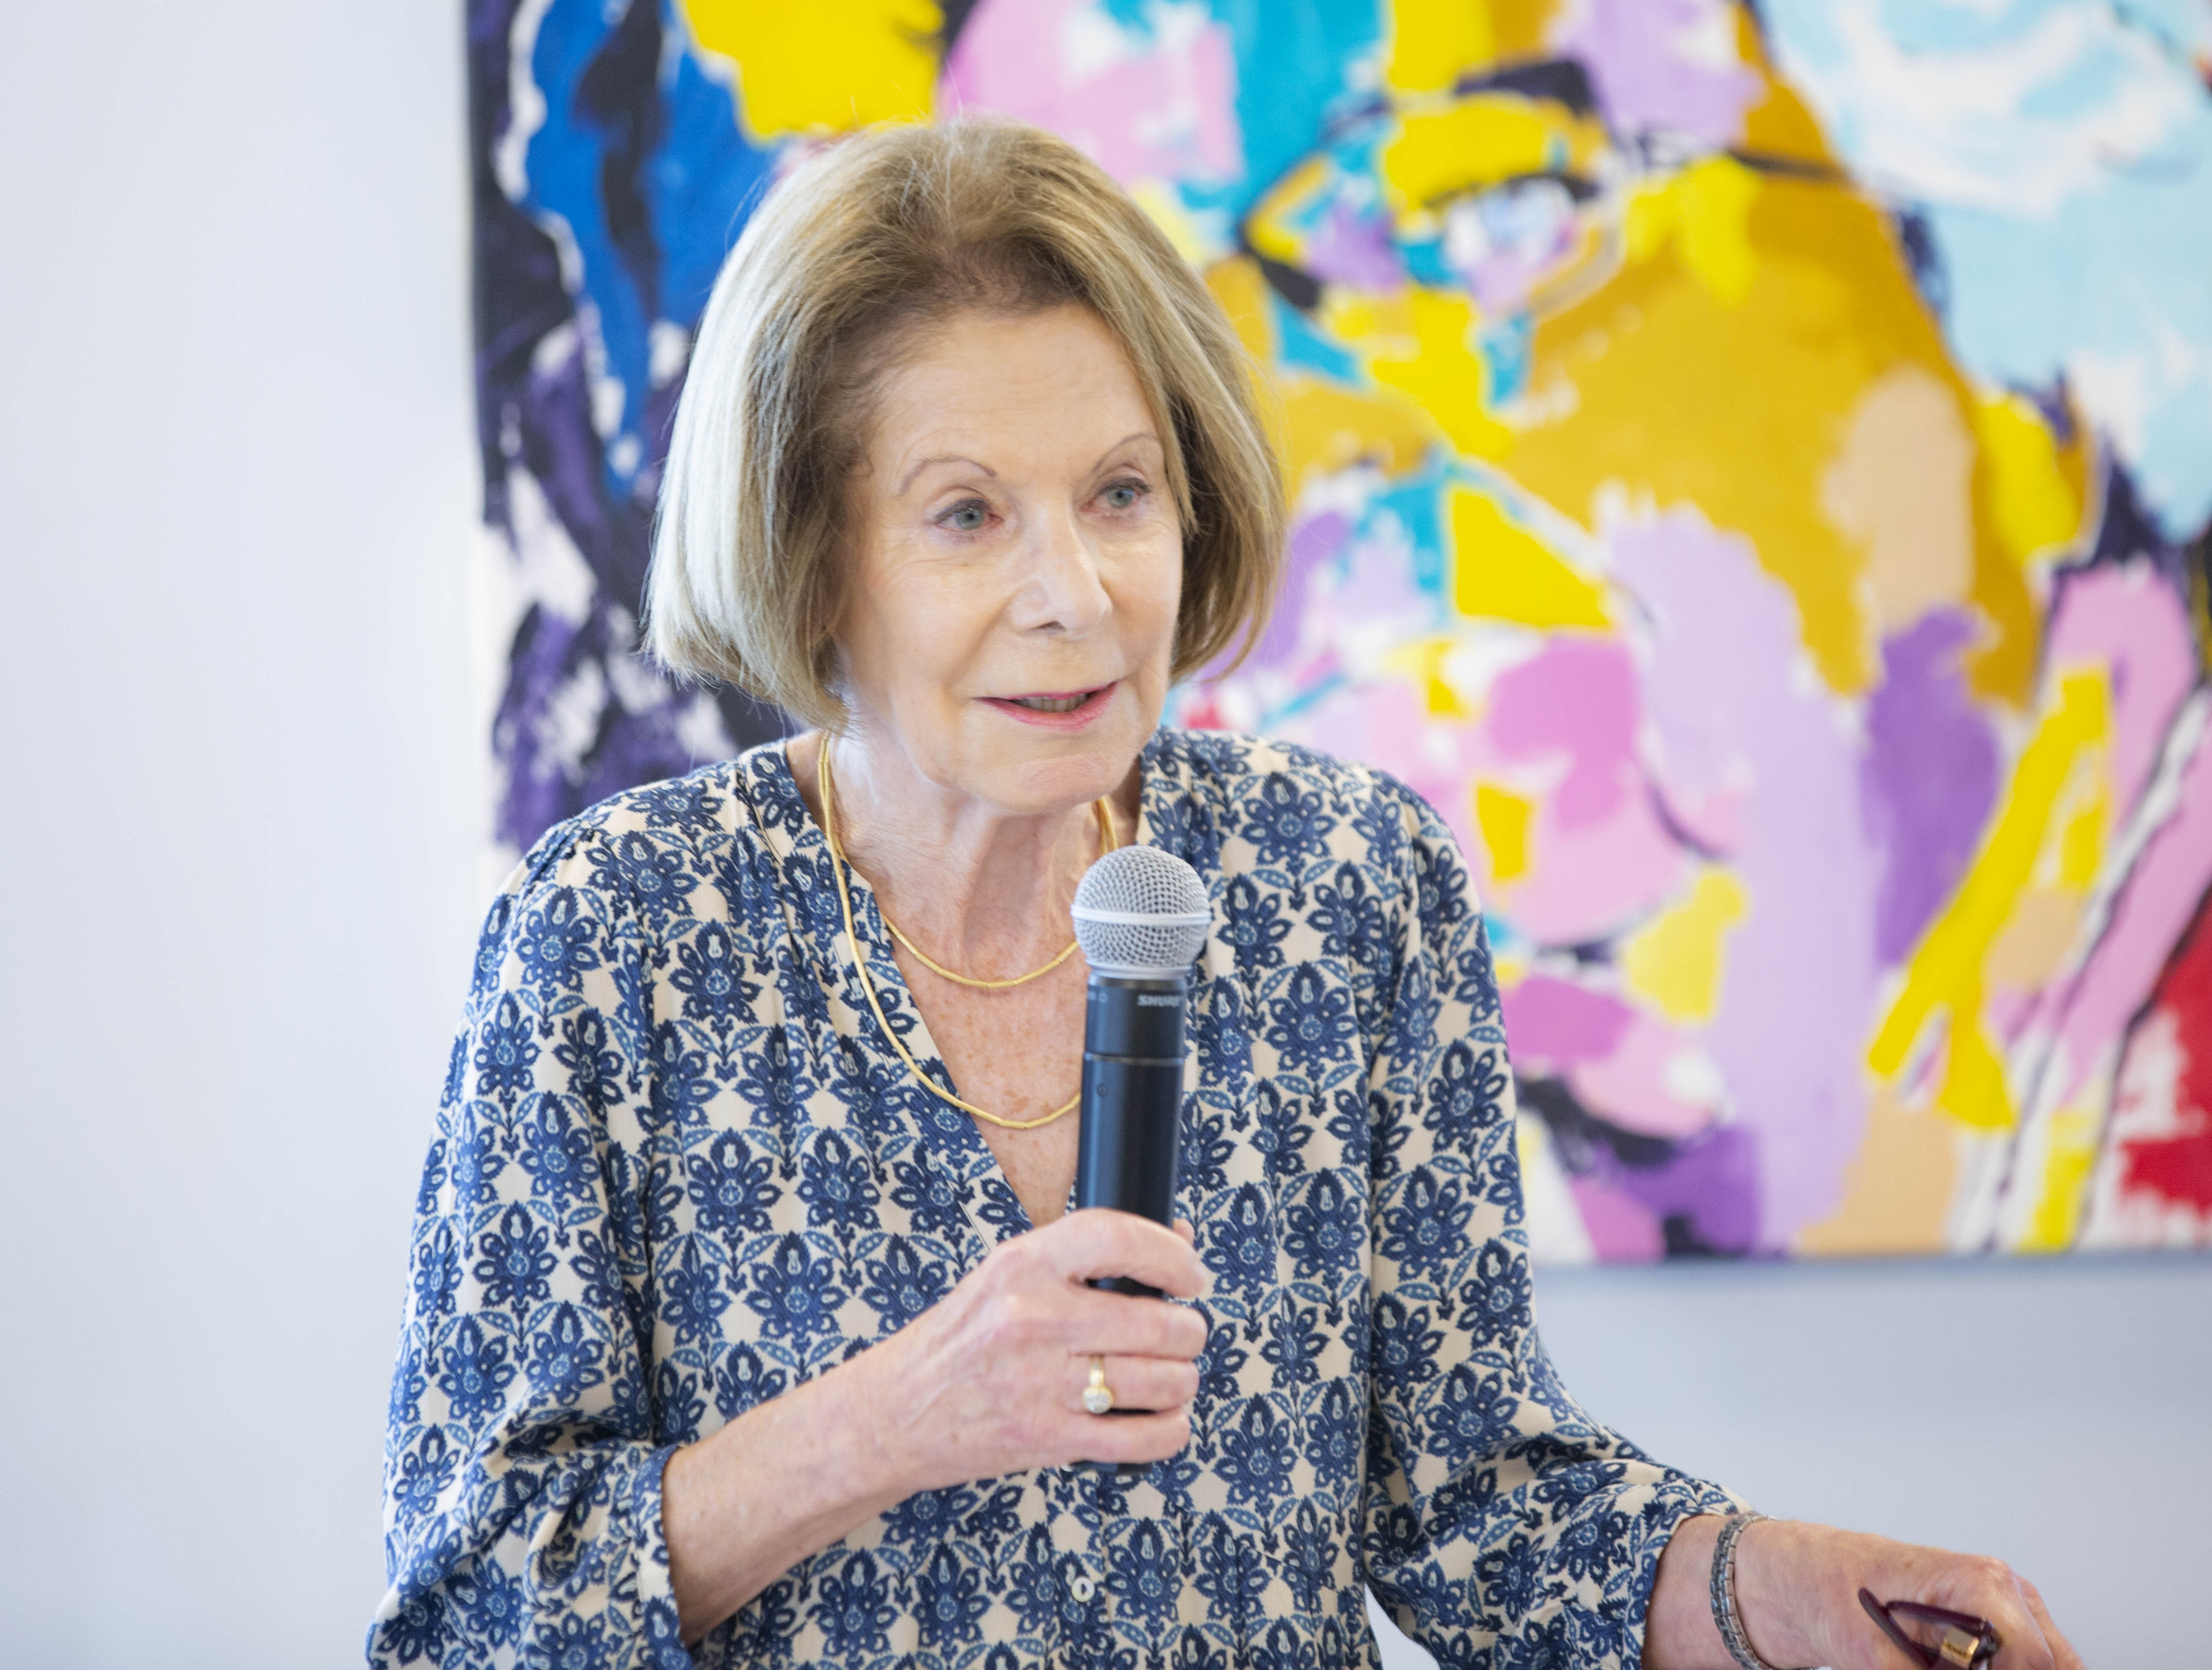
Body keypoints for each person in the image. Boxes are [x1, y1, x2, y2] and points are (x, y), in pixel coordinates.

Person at [370, 120, 2083, 1670]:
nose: (1076, 593)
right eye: (964, 515)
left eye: (1120, 494)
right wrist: (901, 1414)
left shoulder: (1347, 885)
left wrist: (1762, 1586)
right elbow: (465, 1608)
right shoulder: (621, 929)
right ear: (811, 558)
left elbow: (1476, 1502)